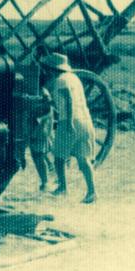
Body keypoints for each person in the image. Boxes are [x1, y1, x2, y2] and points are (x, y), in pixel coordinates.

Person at [40, 52, 97, 204]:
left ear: (52, 69)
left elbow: (69, 100)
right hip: (85, 121)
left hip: (69, 122)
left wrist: (69, 121)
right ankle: (92, 192)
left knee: (59, 158)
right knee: (83, 159)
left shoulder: (60, 80)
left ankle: (63, 188)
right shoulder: (74, 78)